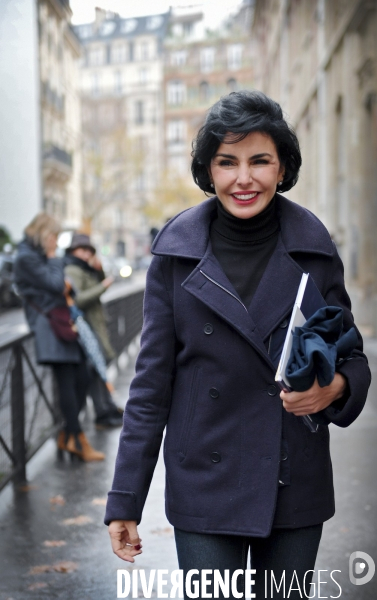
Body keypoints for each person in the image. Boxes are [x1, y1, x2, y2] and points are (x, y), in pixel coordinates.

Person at [105, 91, 371, 598]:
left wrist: (334, 387)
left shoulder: (313, 245)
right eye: (227, 162)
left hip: (292, 480)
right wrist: (125, 499)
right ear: (209, 169)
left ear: (282, 167)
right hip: (205, 481)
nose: (243, 178)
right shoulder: (175, 253)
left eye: (259, 161)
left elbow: (352, 356)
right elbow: (150, 385)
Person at [14, 214, 105, 462]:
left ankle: (68, 434)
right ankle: (76, 439)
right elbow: (57, 284)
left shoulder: (36, 256)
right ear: (43, 233)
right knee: (66, 381)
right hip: (48, 326)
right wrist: (54, 259)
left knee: (83, 375)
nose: (54, 241)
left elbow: (68, 287)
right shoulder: (26, 258)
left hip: (61, 322)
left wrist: (61, 279)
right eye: (53, 235)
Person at [64, 232, 123, 428]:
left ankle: (108, 408)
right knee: (96, 369)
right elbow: (78, 299)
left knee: (100, 367)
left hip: (95, 325)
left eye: (89, 250)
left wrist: (100, 272)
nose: (87, 254)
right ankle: (102, 412)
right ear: (73, 251)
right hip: (86, 327)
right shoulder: (73, 269)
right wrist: (103, 286)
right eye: (83, 250)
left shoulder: (85, 268)